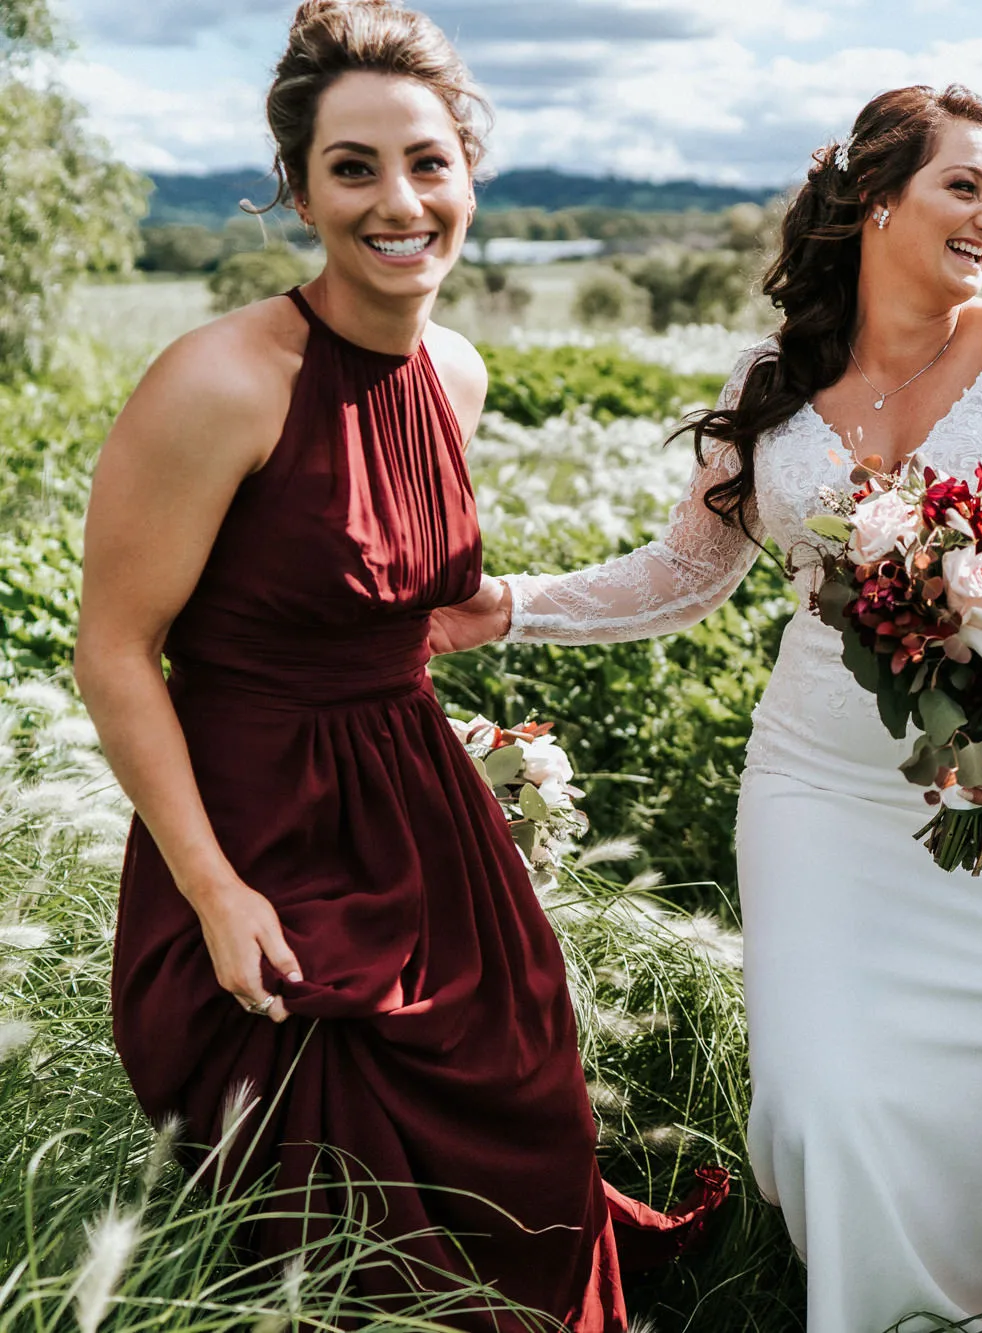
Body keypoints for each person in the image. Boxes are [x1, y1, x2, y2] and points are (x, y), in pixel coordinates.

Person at [432, 85, 982, 1332]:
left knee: (978, 1111)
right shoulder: (778, 377)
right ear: (873, 202)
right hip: (817, 785)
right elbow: (685, 571)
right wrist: (508, 604)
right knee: (820, 1100)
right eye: (963, 186)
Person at [76, 4, 719, 1328]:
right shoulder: (217, 382)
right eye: (353, 166)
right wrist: (214, 892)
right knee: (341, 1231)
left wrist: (462, 600)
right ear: (299, 190)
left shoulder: (461, 374)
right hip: (260, 838)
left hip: (423, 822)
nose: (398, 200)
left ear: (470, 172)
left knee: (531, 1134)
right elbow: (117, 650)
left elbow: (360, 567)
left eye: (428, 161)